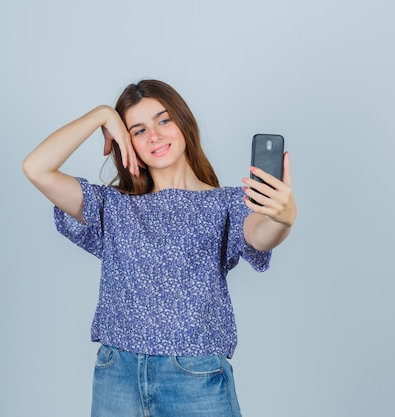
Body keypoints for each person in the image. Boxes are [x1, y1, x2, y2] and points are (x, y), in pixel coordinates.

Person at [23, 79, 297, 417]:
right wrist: (100, 115)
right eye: (137, 130)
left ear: (184, 123)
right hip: (117, 376)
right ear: (126, 143)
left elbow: (259, 234)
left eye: (163, 120)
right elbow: (36, 168)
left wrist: (282, 218)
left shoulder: (225, 203)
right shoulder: (113, 205)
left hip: (194, 378)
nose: (154, 135)